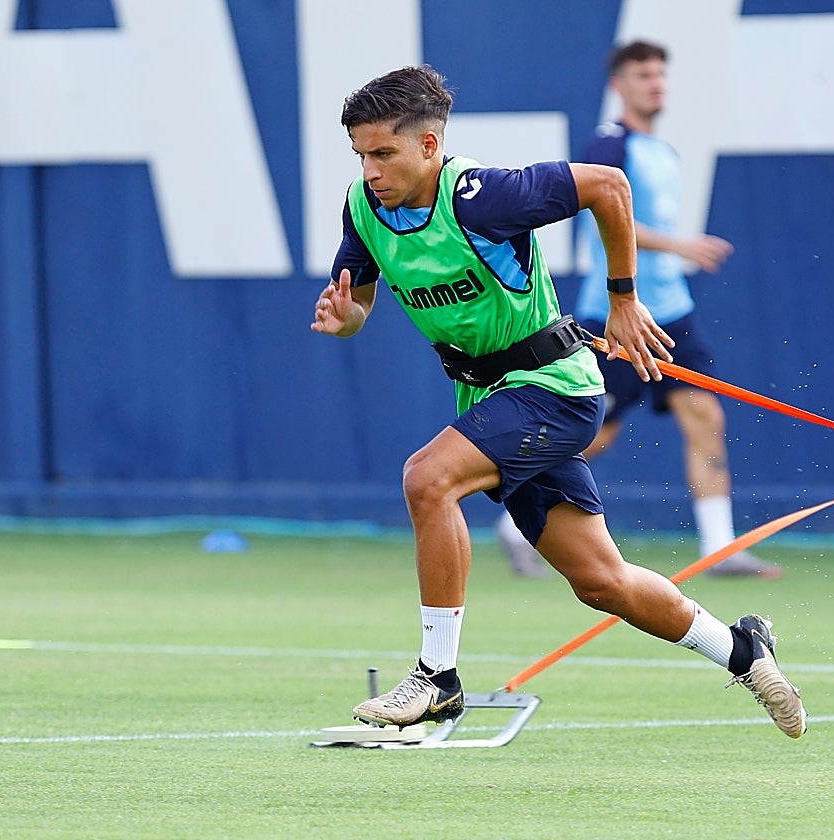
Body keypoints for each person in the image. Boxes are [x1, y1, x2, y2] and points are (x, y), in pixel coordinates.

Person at [312, 65, 805, 739]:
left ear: (430, 146)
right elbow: (359, 299)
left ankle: (437, 679)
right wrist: (347, 317)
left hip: (555, 389)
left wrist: (624, 299)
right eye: (361, 155)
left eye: (383, 153)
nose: (370, 170)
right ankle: (745, 651)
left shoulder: (485, 197)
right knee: (603, 582)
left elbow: (609, 185)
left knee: (427, 479)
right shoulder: (364, 208)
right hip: (495, 395)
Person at [495, 40, 782, 579]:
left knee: (707, 418)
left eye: (659, 74)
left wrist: (675, 254)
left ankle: (721, 549)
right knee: (592, 430)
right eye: (642, 75)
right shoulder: (609, 143)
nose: (655, 83)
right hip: (615, 314)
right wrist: (676, 245)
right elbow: (604, 211)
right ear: (619, 86)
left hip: (671, 312)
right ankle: (517, 523)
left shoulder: (663, 152)